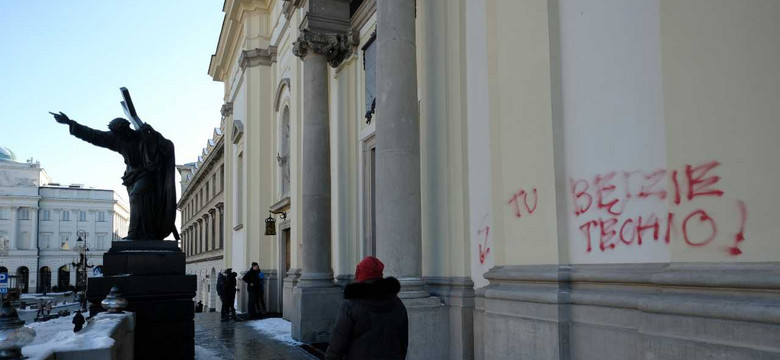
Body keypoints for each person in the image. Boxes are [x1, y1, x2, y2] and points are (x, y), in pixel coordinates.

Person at [51, 112, 178, 240]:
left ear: (127, 128)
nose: (123, 136)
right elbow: (94, 135)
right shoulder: (116, 138)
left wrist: (153, 132)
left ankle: (136, 233)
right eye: (119, 134)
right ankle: (144, 233)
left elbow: (167, 147)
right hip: (133, 175)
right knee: (139, 201)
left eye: (124, 132)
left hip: (148, 174)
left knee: (137, 196)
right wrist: (70, 123)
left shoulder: (143, 135)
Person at [325, 256, 408, 360]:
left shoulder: (350, 305)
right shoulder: (397, 303)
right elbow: (403, 341)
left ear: (359, 275)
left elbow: (337, 344)